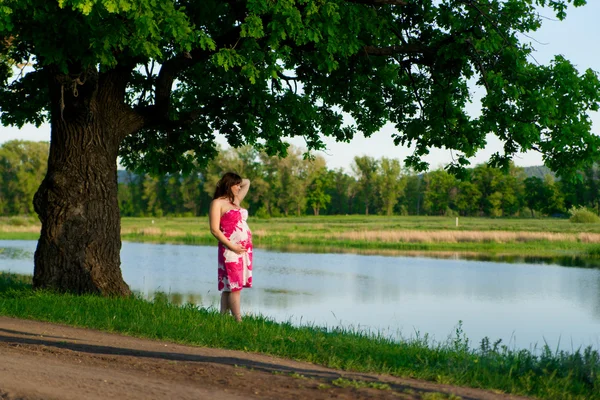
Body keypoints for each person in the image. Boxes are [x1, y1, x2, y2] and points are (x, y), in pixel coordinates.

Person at [209, 172, 252, 322]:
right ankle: (238, 320)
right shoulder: (217, 203)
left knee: (229, 287)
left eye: (239, 185)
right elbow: (215, 230)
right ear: (228, 185)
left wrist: (237, 181)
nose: (240, 187)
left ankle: (222, 319)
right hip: (230, 250)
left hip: (242, 251)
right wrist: (232, 247)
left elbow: (248, 181)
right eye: (236, 185)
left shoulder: (236, 200)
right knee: (235, 287)